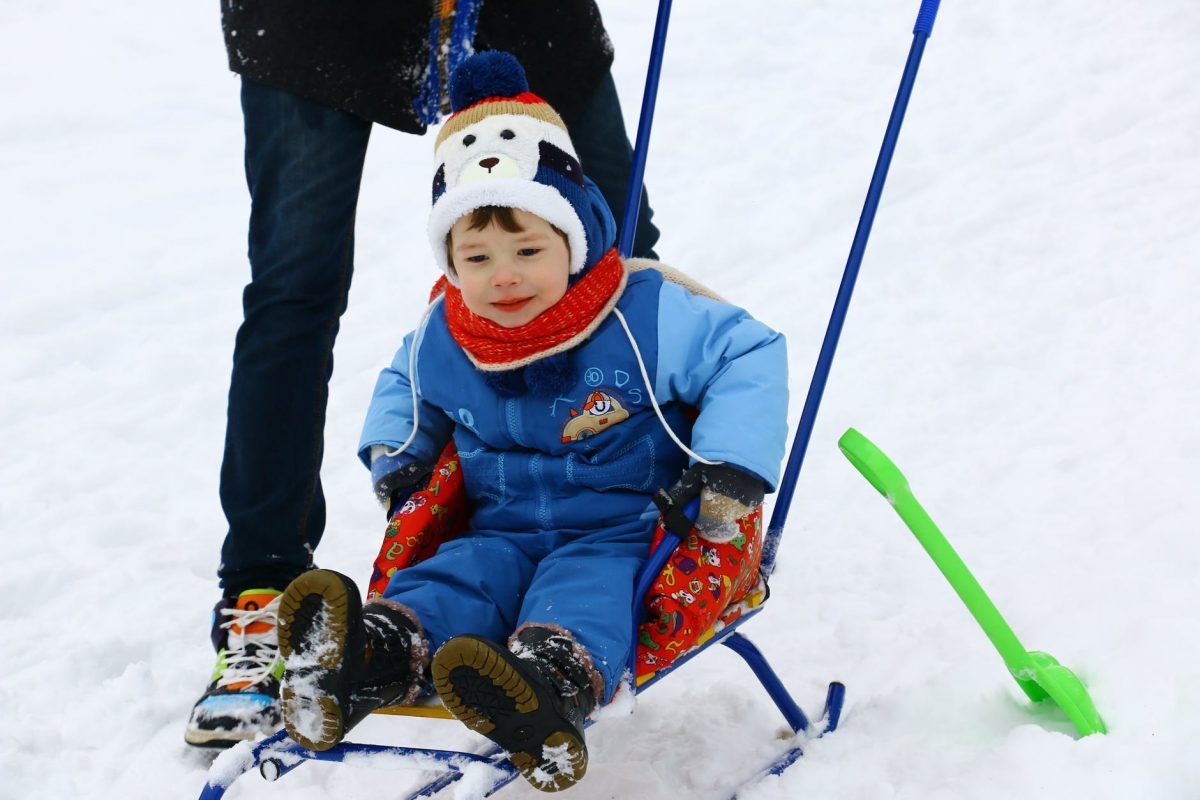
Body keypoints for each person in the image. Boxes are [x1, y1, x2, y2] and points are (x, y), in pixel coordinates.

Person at [273, 51, 788, 792]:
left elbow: (750, 352)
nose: (503, 275)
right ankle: (367, 658)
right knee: (451, 582)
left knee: (584, 596)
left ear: (574, 239)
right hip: (499, 526)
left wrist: (730, 463)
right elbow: (405, 385)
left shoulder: (641, 311)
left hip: (621, 528)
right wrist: (400, 452)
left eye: (527, 249)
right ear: (450, 260)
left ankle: (547, 687)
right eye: (476, 256)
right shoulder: (448, 332)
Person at [185, 1, 661, 747]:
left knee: (614, 249)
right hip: (311, 24)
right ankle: (261, 590)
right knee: (293, 287)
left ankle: (635, 525)